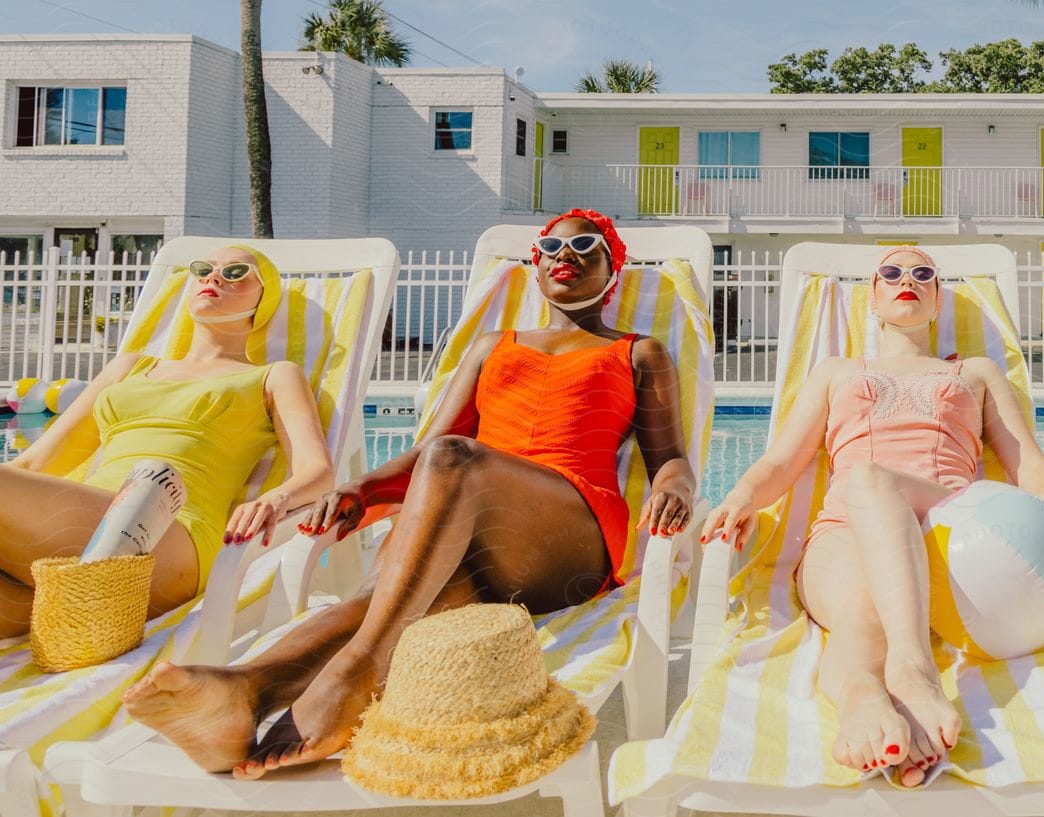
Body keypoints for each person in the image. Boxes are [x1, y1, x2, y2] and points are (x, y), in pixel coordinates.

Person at [123, 210, 696, 778]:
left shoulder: (637, 351)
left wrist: (674, 487)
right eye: (550, 248)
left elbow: (668, 457)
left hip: (567, 539)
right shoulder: (495, 344)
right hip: (478, 538)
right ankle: (242, 689)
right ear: (534, 267)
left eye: (584, 247)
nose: (563, 257)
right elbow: (431, 448)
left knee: (454, 461)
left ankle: (360, 670)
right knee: (379, 596)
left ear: (611, 268)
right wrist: (361, 488)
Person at [702, 247, 1044, 788]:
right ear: (874, 299)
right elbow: (780, 459)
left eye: (922, 274)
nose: (906, 279)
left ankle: (911, 667)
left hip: (951, 530)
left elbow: (1024, 456)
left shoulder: (974, 372)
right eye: (891, 273)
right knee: (861, 610)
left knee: (868, 477)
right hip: (843, 535)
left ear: (937, 301)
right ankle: (865, 701)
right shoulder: (836, 372)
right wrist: (741, 496)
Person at [0, 246, 332, 639]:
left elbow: (317, 471)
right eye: (204, 268)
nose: (214, 277)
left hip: (171, 536)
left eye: (236, 272)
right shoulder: (129, 367)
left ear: (264, 298)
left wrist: (275, 499)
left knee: (154, 478)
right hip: (76, 535)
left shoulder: (273, 375)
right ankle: (86, 612)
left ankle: (100, 587)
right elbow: (35, 464)